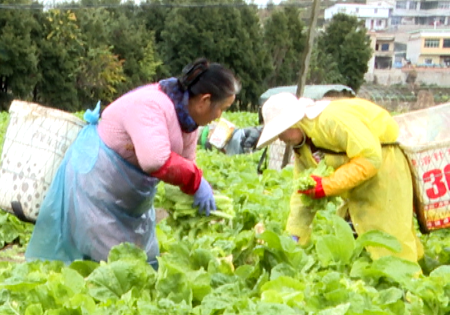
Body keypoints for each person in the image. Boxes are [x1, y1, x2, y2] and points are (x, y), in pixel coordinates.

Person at [25, 59, 239, 265]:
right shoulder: (152, 105)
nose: (220, 116)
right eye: (222, 108)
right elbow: (155, 160)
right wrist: (195, 180)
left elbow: (185, 163)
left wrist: (195, 189)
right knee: (105, 259)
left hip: (129, 194)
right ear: (205, 100)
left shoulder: (189, 121)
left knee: (139, 257)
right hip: (99, 182)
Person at [255, 92, 423, 263]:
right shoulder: (303, 147)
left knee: (391, 236)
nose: (280, 139)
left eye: (280, 133)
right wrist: (294, 236)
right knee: (357, 238)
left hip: (386, 173)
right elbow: (303, 195)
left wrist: (327, 185)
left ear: (292, 123)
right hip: (357, 185)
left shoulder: (331, 119)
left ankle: (409, 285)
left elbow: (370, 157)